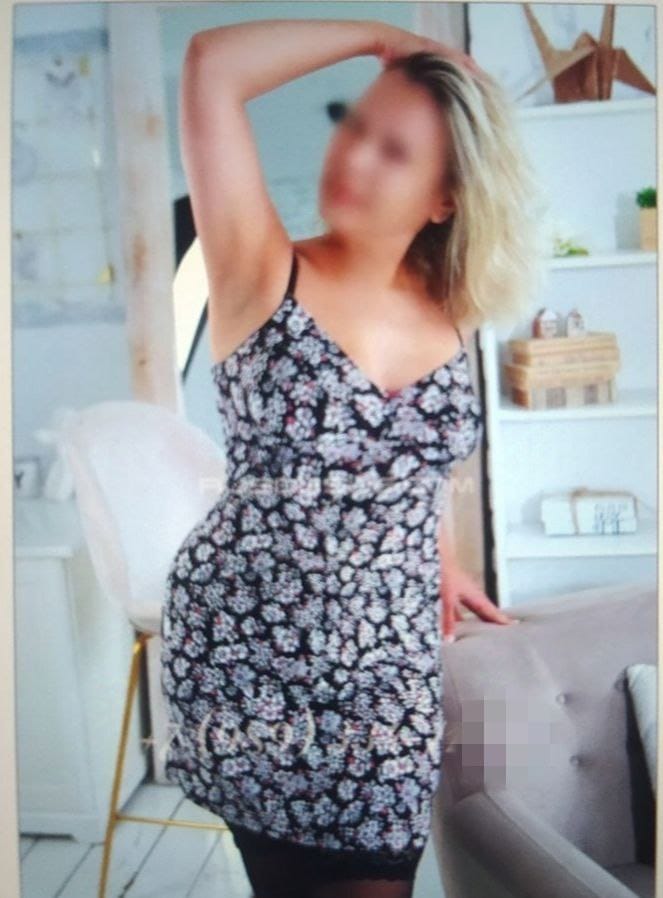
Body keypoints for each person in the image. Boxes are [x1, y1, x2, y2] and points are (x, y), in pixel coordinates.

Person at [161, 17, 547, 898]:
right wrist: (381, 39)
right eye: (355, 126)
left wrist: (437, 556)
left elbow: (416, 462)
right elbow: (212, 65)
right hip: (255, 647)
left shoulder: (450, 303)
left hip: (390, 666)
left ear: (444, 200)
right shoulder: (261, 268)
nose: (354, 156)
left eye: (394, 151)